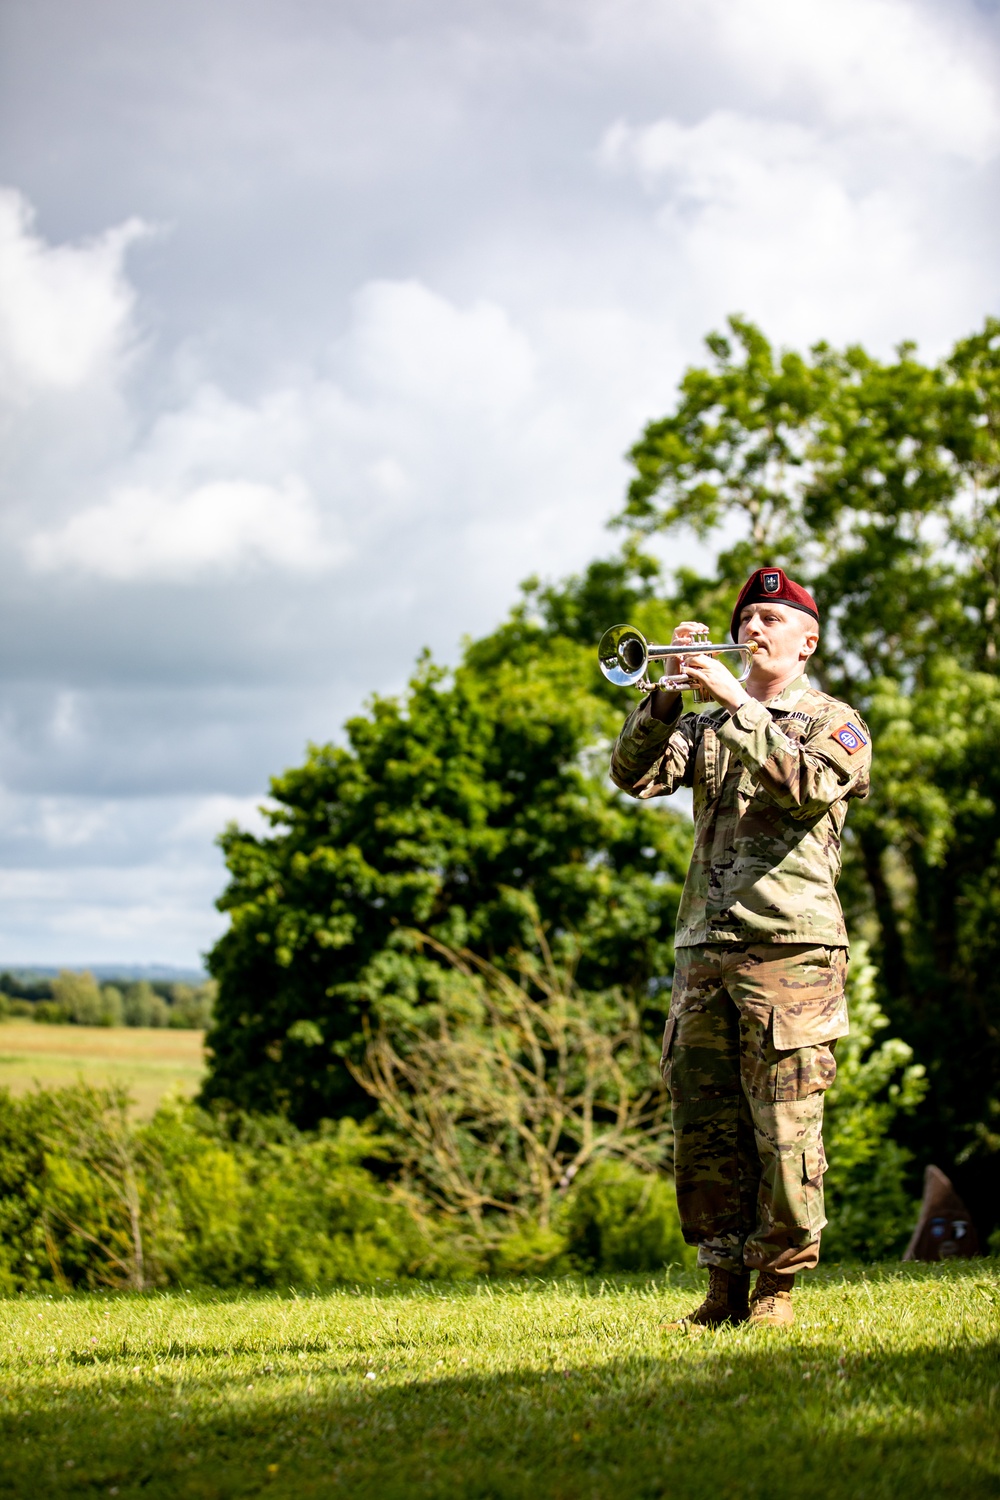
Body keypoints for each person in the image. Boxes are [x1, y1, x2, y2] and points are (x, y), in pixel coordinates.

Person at [610, 567, 872, 1328]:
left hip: (790, 948)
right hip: (704, 947)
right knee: (706, 1127)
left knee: (786, 1128)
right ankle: (721, 1287)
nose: (753, 628)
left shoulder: (833, 720)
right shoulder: (704, 720)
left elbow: (807, 785)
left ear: (807, 640)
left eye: (770, 618)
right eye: (745, 616)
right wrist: (665, 695)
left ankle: (778, 1289)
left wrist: (734, 702)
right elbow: (634, 774)